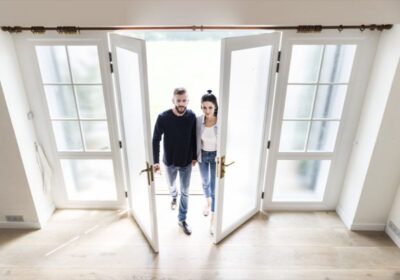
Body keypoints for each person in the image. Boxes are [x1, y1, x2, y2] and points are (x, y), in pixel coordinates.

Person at [152, 87, 197, 235]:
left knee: (185, 191)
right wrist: (155, 161)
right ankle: (173, 196)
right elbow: (155, 139)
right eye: (179, 100)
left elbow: (193, 137)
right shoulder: (163, 117)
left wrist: (195, 156)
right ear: (173, 101)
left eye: (184, 100)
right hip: (169, 161)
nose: (182, 103)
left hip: (186, 162)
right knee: (171, 185)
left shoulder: (191, 116)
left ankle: (182, 219)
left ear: (188, 101)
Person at [196, 90, 218, 235]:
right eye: (204, 107)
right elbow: (194, 139)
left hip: (216, 157)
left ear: (215, 107)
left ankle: (213, 219)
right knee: (205, 182)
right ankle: (208, 202)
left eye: (210, 107)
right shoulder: (199, 120)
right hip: (203, 155)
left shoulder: (221, 120)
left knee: (215, 187)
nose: (207, 110)